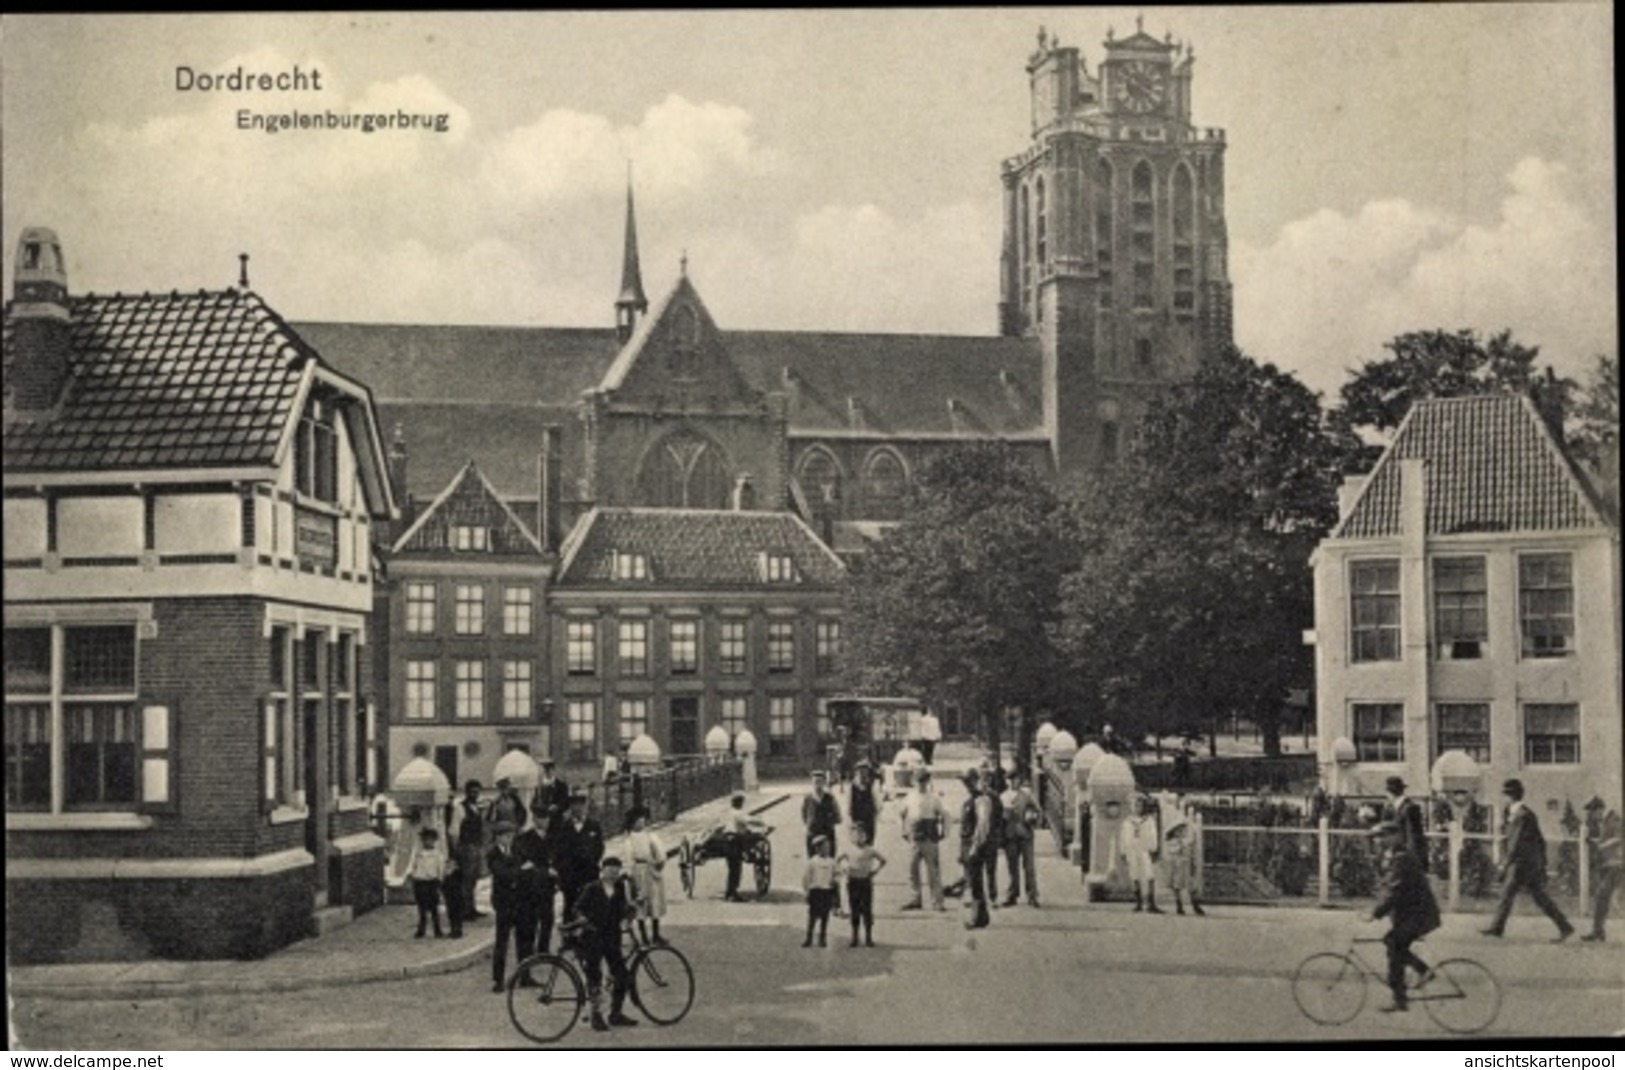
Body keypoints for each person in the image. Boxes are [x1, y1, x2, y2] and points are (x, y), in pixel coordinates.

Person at [1481, 778, 1574, 942]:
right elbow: (1538, 841)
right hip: (1527, 863)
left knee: (1509, 894)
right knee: (1536, 897)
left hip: (1522, 864)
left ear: (1510, 796)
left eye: (1505, 795)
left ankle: (1497, 928)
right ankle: (1565, 927)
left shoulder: (1522, 816)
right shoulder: (1520, 814)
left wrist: (1505, 864)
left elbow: (1515, 843)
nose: (1504, 799)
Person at [1366, 820, 1441, 1013]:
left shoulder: (1402, 858)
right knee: (1392, 944)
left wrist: (1375, 913)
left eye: (1381, 836)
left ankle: (1400, 999)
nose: (1377, 841)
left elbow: (1394, 889)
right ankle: (1421, 974)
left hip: (1418, 915)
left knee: (1395, 947)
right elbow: (1388, 885)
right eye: (1376, 837)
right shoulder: (1392, 856)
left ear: (1394, 837)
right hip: (1411, 914)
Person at [570, 855, 640, 1031]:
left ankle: (615, 1013)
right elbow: (577, 908)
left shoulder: (619, 887)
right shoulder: (592, 888)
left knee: (622, 975)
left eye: (616, 871)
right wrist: (583, 919)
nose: (614, 874)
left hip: (611, 938)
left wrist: (631, 909)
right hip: (593, 938)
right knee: (595, 977)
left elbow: (622, 909)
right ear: (603, 871)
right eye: (610, 870)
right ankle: (596, 1015)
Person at [899, 768, 947, 911]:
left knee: (933, 871)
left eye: (924, 781)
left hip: (930, 838)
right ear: (914, 782)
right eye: (919, 781)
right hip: (914, 837)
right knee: (912, 870)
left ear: (928, 782)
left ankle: (937, 901)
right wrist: (903, 830)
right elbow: (901, 815)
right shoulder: (909, 798)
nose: (921, 784)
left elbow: (944, 815)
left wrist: (944, 831)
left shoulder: (934, 799)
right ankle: (915, 898)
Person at [486, 820, 525, 992]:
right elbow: (502, 874)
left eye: (511, 836)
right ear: (498, 837)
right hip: (503, 902)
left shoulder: (516, 851)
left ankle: (524, 975)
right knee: (502, 942)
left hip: (518, 900)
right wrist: (519, 871)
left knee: (523, 940)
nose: (510, 839)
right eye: (507, 836)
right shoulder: (492, 854)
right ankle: (498, 979)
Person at [515, 801, 558, 958]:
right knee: (531, 921)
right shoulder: (525, 839)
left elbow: (557, 858)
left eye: (547, 818)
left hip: (548, 886)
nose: (546, 822)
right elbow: (527, 864)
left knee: (548, 918)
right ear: (534, 820)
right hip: (532, 887)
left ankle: (543, 949)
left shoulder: (552, 838)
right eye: (541, 818)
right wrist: (546, 871)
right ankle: (530, 952)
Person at [555, 788, 606, 920]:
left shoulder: (593, 826)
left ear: (585, 806)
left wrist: (591, 861)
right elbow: (559, 852)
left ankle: (589, 939)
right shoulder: (563, 827)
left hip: (589, 873)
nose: (577, 808)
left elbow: (599, 848)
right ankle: (570, 939)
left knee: (589, 905)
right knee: (570, 906)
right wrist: (564, 871)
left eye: (580, 804)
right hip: (570, 876)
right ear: (570, 807)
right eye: (574, 804)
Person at [622, 805, 668, 945]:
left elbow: (659, 851)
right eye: (637, 820)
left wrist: (659, 861)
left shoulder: (650, 835)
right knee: (641, 903)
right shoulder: (629, 839)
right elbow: (628, 856)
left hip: (651, 869)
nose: (640, 823)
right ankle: (644, 936)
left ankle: (655, 933)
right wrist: (629, 873)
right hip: (639, 871)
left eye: (642, 820)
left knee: (655, 902)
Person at [802, 769, 843, 914]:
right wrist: (810, 828)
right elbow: (804, 816)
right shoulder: (808, 798)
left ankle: (835, 904)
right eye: (815, 782)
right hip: (812, 837)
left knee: (830, 868)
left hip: (827, 836)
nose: (818, 785)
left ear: (824, 783)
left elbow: (839, 817)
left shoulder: (830, 798)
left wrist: (828, 821)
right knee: (814, 867)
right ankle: (815, 903)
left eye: (820, 782)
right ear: (811, 783)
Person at [1581, 798, 1622, 943]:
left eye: (1592, 811)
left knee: (1602, 896)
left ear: (1600, 809)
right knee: (1602, 898)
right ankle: (1598, 931)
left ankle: (1597, 931)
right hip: (1609, 864)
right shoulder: (1604, 822)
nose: (1591, 815)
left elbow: (1619, 838)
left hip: (1617, 864)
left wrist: (1601, 845)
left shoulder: (1614, 818)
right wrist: (1595, 842)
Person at [959, 768, 993, 929]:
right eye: (965, 782)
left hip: (974, 845)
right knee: (972, 880)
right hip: (967, 845)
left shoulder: (982, 800)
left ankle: (975, 918)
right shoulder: (971, 799)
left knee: (974, 882)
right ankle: (982, 916)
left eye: (968, 782)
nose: (966, 785)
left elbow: (982, 825)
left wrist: (975, 846)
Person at [1000, 771, 1040, 907]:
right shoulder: (1003, 797)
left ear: (1019, 780)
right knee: (1012, 866)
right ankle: (1012, 894)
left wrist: (1032, 818)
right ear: (1006, 781)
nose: (1013, 782)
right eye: (1010, 780)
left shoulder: (1026, 794)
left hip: (1025, 834)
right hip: (1010, 835)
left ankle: (1032, 895)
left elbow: (1037, 810)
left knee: (1029, 866)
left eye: (1015, 779)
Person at [843, 824, 887, 947]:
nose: (859, 838)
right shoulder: (849, 849)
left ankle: (868, 937)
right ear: (852, 837)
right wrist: (844, 869)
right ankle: (854, 937)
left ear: (866, 836)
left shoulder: (870, 850)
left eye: (862, 835)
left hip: (865, 882)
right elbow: (838, 860)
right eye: (856, 835)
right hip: (853, 882)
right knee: (854, 909)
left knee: (867, 910)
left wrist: (875, 871)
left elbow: (883, 860)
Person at [1119, 794, 1163, 913]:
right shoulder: (1127, 822)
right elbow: (1124, 837)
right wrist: (1123, 851)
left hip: (1144, 850)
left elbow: (1153, 834)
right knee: (1135, 875)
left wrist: (1153, 848)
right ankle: (1138, 903)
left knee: (1149, 875)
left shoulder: (1148, 820)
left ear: (1143, 806)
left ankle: (1151, 903)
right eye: (1134, 805)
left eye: (1139, 805)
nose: (1137, 807)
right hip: (1132, 850)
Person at [406, 826, 447, 939]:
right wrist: (411, 876)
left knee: (434, 907)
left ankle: (437, 929)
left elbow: (441, 869)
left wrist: (440, 880)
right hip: (420, 881)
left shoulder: (438, 855)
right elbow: (412, 866)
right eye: (425, 839)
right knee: (421, 907)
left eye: (430, 839)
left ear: (434, 841)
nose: (428, 842)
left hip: (432, 882)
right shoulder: (418, 853)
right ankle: (421, 929)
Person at [454, 780, 487, 922]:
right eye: (472, 792)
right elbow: (454, 830)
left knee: (473, 879)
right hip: (466, 846)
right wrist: (457, 849)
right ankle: (464, 910)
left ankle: (471, 907)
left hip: (476, 845)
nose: (475, 794)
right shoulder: (460, 808)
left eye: (477, 792)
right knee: (466, 879)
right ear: (467, 792)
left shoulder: (476, 808)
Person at [1162, 813, 1204, 916]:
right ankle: (1179, 905)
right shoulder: (1172, 842)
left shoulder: (1187, 841)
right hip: (1176, 866)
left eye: (1183, 829)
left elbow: (1191, 853)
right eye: (1178, 830)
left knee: (1191, 886)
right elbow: (1172, 852)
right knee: (1177, 886)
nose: (1181, 832)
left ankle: (1195, 905)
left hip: (1186, 866)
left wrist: (1193, 862)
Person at [802, 834, 838, 947]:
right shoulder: (812, 862)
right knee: (812, 917)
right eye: (824, 847)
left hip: (826, 891)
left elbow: (837, 873)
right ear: (817, 849)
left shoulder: (831, 862)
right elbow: (806, 878)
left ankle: (822, 938)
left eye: (828, 847)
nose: (827, 849)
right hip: (815, 891)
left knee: (825, 916)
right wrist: (807, 891)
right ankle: (809, 938)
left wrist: (835, 880)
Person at [1383, 776, 1427, 859]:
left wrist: (1411, 858)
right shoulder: (1394, 808)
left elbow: (1412, 835)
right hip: (1398, 853)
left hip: (1407, 855)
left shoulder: (1410, 808)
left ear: (1390, 793)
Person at [848, 759, 879, 846]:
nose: (863, 774)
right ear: (857, 772)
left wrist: (874, 816)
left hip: (869, 819)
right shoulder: (852, 786)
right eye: (860, 771)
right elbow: (849, 805)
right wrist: (851, 821)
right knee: (858, 843)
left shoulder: (871, 786)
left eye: (865, 771)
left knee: (869, 843)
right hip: (857, 819)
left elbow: (877, 803)